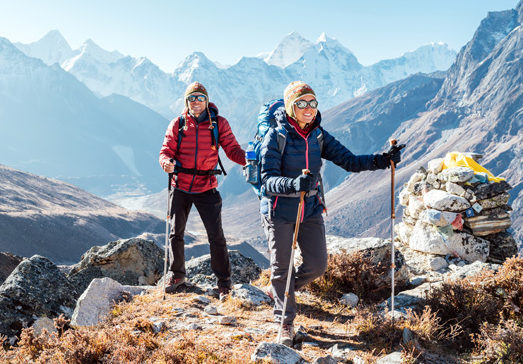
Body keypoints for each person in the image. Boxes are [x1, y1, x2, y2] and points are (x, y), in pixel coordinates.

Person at [260, 81, 404, 346]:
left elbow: (349, 160)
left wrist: (381, 160)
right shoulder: (276, 136)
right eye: (302, 103)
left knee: (317, 265)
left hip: (310, 209)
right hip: (280, 212)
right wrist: (293, 185)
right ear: (291, 107)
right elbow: (267, 180)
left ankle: (279, 291)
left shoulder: (318, 135)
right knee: (283, 269)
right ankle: (285, 323)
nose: (308, 108)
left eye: (312, 103)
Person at [159, 81, 246, 299]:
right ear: (186, 101)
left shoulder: (218, 124)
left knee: (216, 236)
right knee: (175, 234)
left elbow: (232, 149)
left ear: (206, 101)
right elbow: (166, 150)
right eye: (191, 98)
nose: (196, 102)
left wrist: (249, 159)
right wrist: (166, 162)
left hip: (207, 186)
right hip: (180, 185)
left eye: (200, 98)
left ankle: (224, 282)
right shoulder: (178, 124)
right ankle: (177, 275)